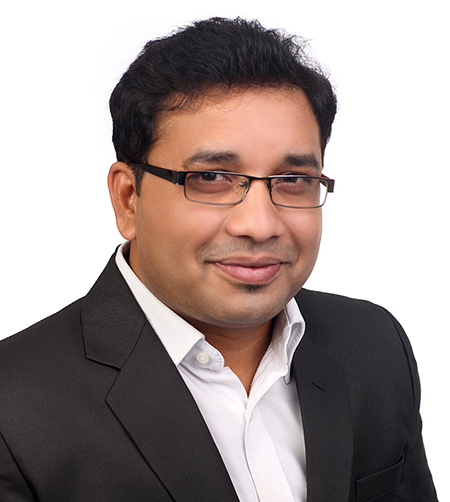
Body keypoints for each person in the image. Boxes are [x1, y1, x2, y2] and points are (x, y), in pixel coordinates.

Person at [0, 17, 438, 502]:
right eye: (211, 178)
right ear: (128, 199)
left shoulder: (375, 345)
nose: (260, 224)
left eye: (293, 179)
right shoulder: (13, 410)